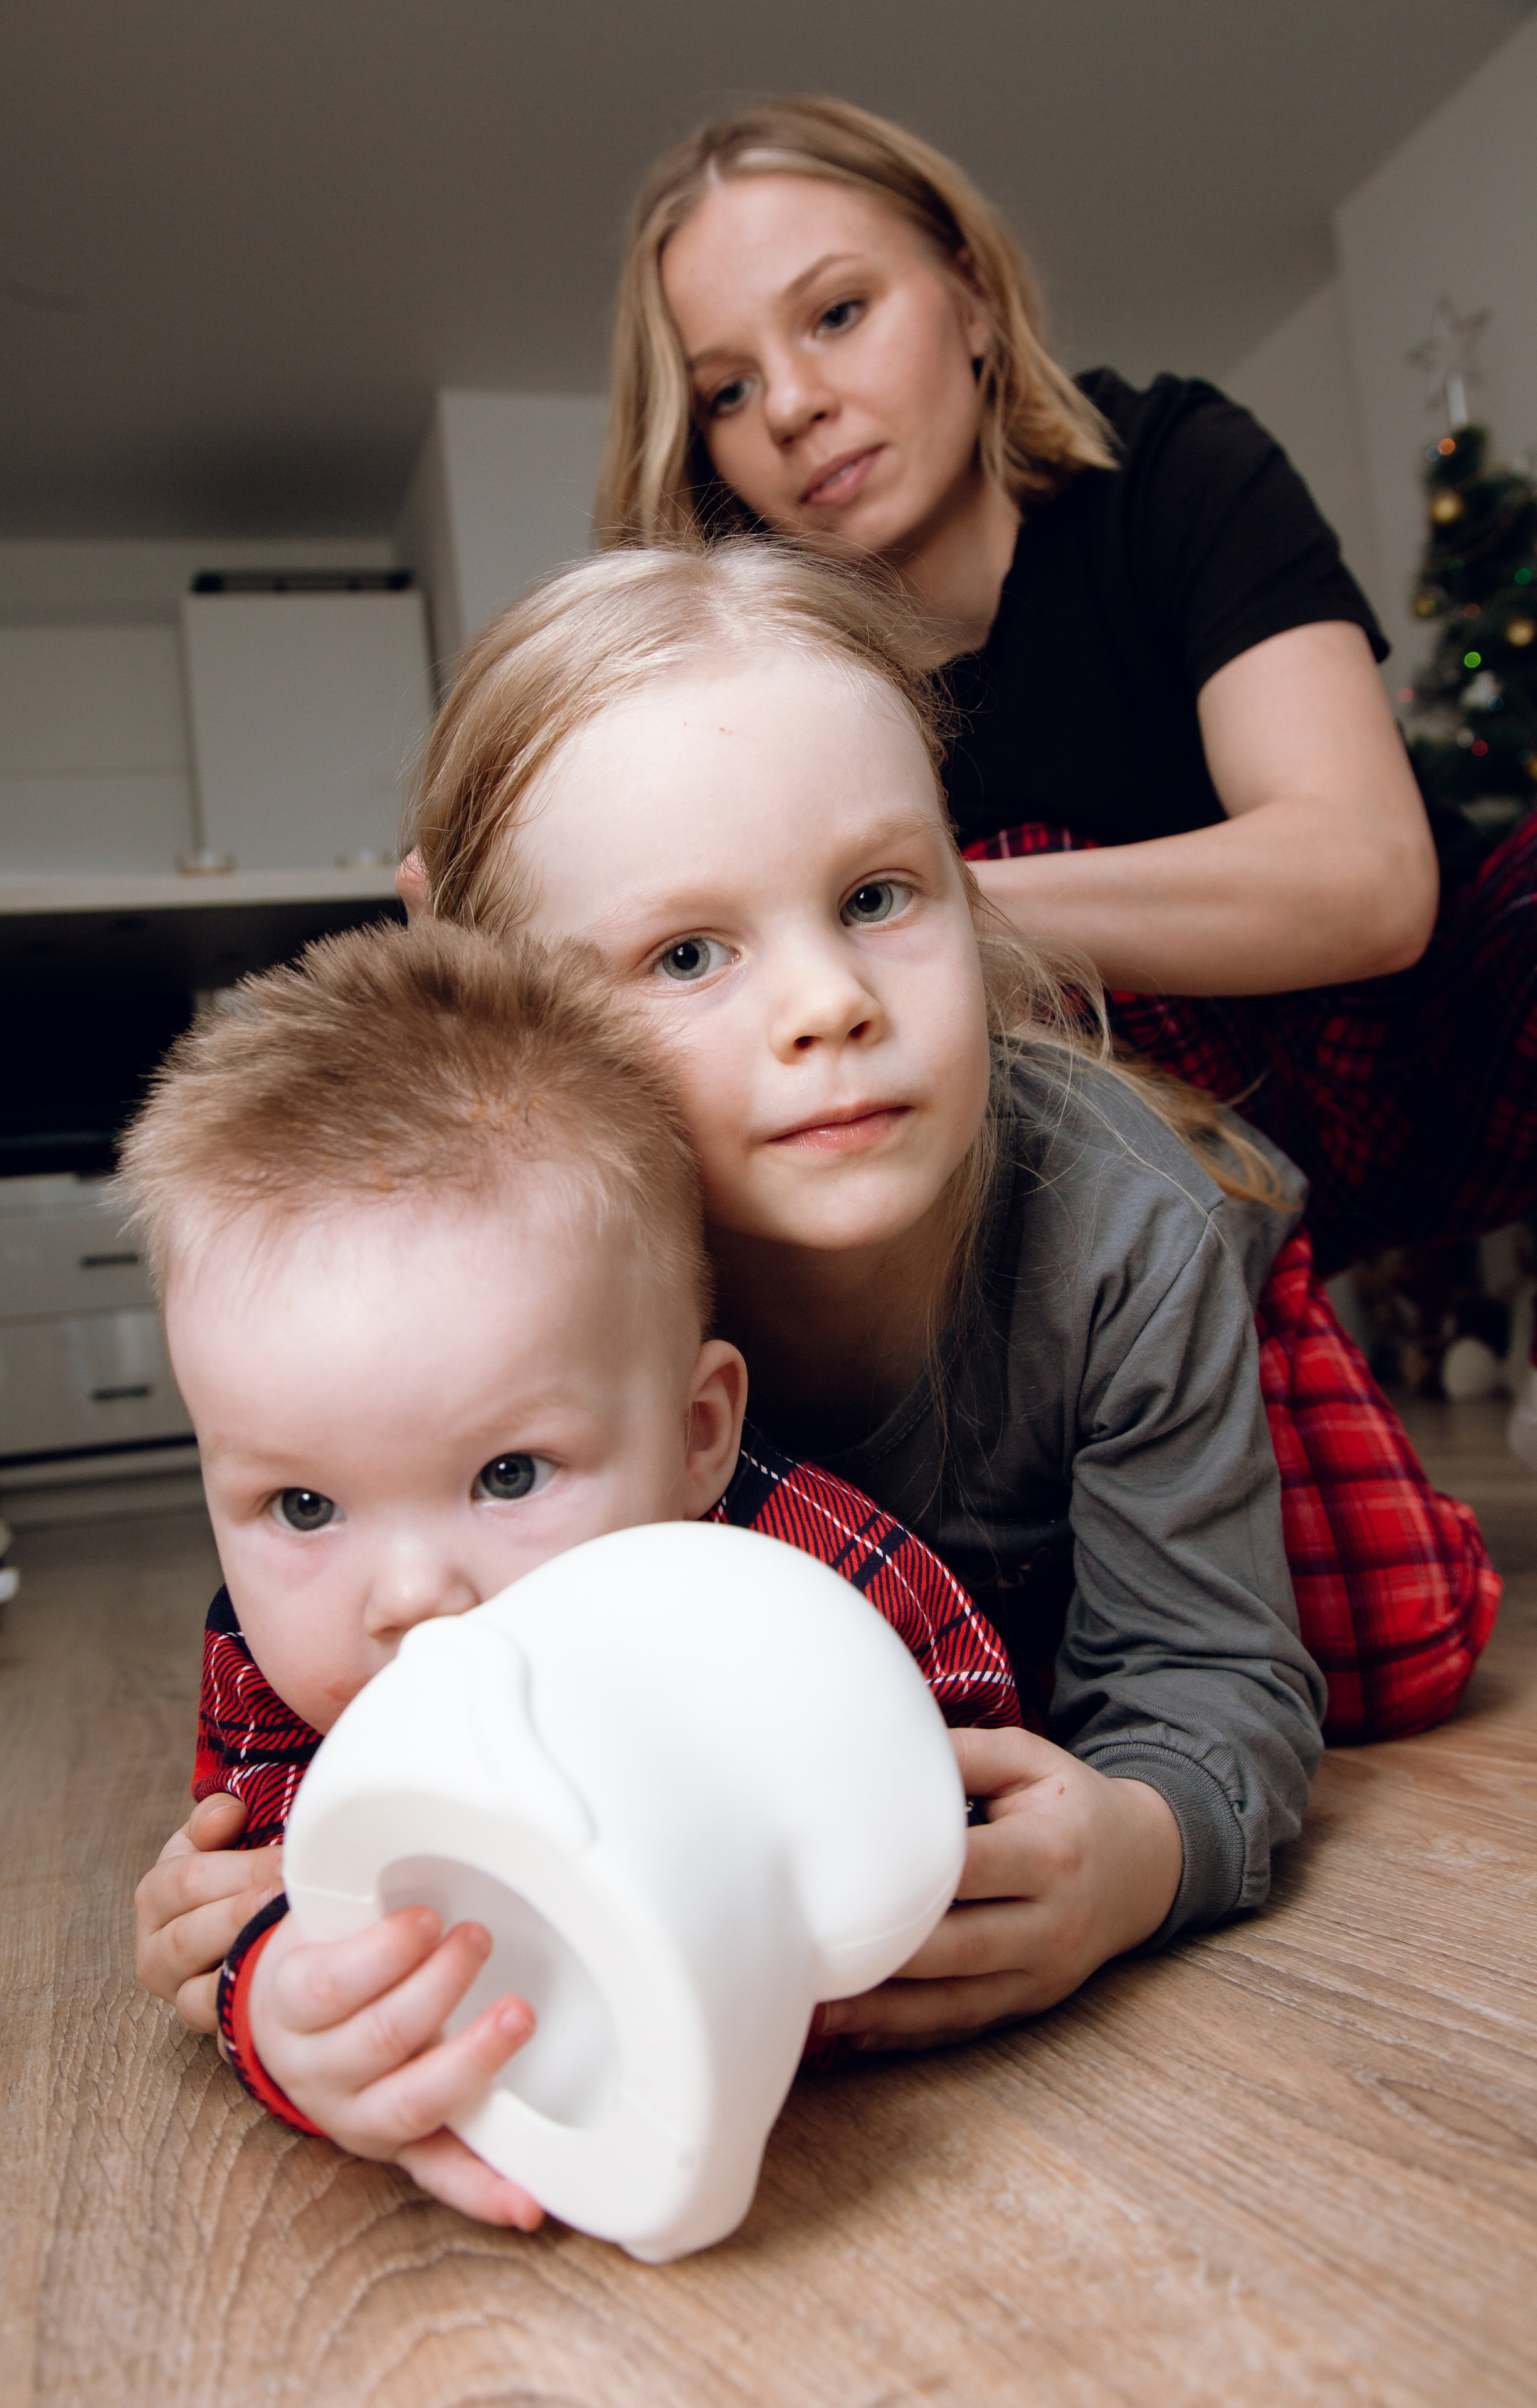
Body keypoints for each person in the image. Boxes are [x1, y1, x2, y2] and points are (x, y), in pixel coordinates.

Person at [406, 537, 1356, 2056]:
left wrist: (1135, 1855)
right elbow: (396, 1623)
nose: (829, 1005)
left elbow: (1210, 1675)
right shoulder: (495, 1281)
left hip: (1192, 1278)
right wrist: (291, 1881)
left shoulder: (1121, 1240)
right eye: (687, 953)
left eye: (872, 897)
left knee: (1387, 1636)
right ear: (493, 997)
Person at [126, 916, 1020, 2224]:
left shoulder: (798, 1587)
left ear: (695, 1437)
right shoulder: (281, 1669)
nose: (409, 1598)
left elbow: (964, 1787)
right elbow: (278, 1894)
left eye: (508, 1476)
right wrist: (270, 2006)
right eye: (302, 1505)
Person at [583, 94, 1537, 1290]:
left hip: (1428, 1052)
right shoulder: (758, 700)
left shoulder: (1176, 464)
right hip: (1136, 1184)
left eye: (837, 314)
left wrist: (930, 908)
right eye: (727, 391)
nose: (789, 406)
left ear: (974, 297)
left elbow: (1370, 882)